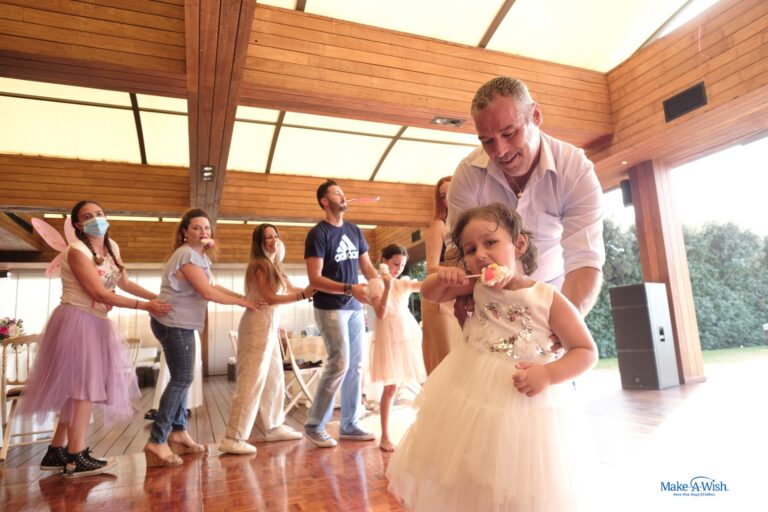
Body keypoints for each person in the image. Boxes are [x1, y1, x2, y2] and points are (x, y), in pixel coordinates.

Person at [387, 203, 598, 511]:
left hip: (527, 400)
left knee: (521, 481)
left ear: (519, 245)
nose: (480, 255)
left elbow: (586, 351)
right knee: (467, 473)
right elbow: (431, 293)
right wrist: (442, 277)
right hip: (469, 387)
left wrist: (548, 374)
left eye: (490, 243)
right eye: (470, 250)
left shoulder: (547, 297)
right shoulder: (475, 284)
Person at [20, 200, 172, 478]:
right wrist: (146, 307)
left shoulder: (112, 248)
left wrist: (159, 298)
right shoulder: (76, 251)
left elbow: (125, 283)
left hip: (97, 321)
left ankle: (56, 451)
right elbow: (99, 293)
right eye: (88, 216)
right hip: (77, 320)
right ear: (78, 224)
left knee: (78, 388)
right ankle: (76, 456)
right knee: (83, 389)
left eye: (99, 214)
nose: (95, 219)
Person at [447, 76, 605, 320]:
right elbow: (458, 249)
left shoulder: (574, 169)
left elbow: (584, 259)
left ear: (536, 116)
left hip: (556, 294)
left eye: (509, 133)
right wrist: (464, 291)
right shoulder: (468, 174)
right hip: (491, 300)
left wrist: (565, 325)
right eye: (487, 141)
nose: (500, 151)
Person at [145, 208, 261, 467]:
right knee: (182, 379)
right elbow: (207, 293)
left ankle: (179, 432)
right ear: (184, 232)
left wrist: (243, 297)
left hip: (180, 324)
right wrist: (244, 303)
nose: (203, 232)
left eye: (206, 228)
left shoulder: (200, 257)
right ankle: (157, 440)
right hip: (174, 323)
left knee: (183, 378)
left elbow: (213, 286)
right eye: (196, 227)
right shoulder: (186, 254)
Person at [218, 223, 314, 455]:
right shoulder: (260, 264)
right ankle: (233, 437)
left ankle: (274, 426)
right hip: (256, 326)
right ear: (259, 242)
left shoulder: (275, 266)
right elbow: (270, 298)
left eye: (275, 236)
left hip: (270, 326)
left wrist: (314, 289)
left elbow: (292, 288)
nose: (273, 240)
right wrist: (303, 295)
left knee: (274, 378)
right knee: (251, 382)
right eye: (268, 237)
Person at [303, 179, 380, 448]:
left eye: (343, 192)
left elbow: (367, 268)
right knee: (339, 363)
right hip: (330, 306)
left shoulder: (354, 230)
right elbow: (314, 279)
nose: (343, 196)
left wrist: (379, 283)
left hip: (354, 308)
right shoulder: (318, 234)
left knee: (355, 366)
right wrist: (349, 288)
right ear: (325, 201)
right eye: (337, 193)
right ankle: (314, 425)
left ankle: (349, 424)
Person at [368, 244, 426, 452]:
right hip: (388, 340)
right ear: (384, 261)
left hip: (407, 337)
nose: (398, 269)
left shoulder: (403, 283)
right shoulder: (375, 284)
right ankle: (385, 435)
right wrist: (387, 286)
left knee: (422, 381)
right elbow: (380, 314)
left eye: (401, 265)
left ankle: (429, 429)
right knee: (390, 388)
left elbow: (423, 286)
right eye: (395, 264)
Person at [420, 176, 463, 374]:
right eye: (443, 196)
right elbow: (431, 267)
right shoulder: (439, 225)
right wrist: (460, 274)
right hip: (440, 299)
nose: (448, 198)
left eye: (452, 192)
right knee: (445, 361)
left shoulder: (468, 224)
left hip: (461, 295)